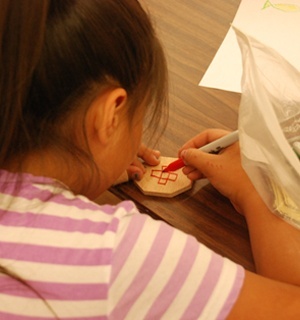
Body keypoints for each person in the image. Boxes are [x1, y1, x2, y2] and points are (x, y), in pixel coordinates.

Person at [0, 0, 300, 319]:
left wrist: (83, 168)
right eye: (140, 114)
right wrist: (254, 190)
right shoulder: (116, 257)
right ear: (110, 116)